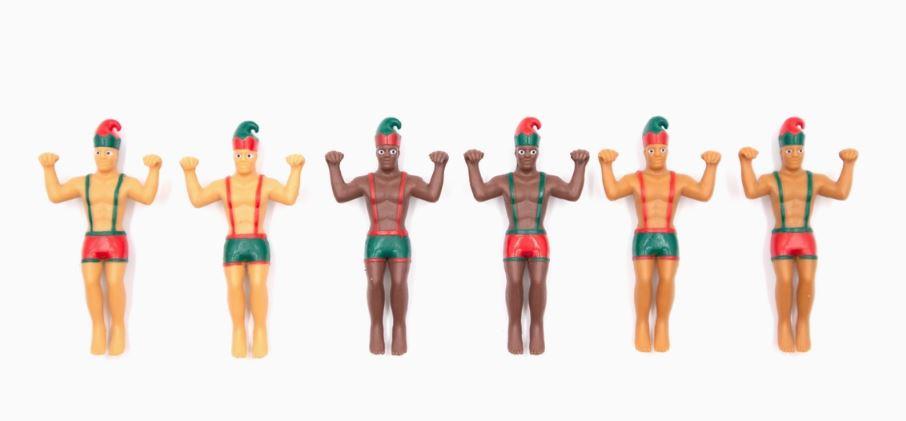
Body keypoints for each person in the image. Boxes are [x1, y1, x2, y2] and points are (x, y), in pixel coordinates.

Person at [464, 117, 589, 355]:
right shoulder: (505, 181)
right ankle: (514, 328)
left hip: (538, 239)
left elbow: (572, 193)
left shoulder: (547, 181)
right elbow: (480, 193)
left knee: (539, 283)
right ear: (515, 152)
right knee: (514, 283)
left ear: (537, 152)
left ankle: (537, 328)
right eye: (522, 151)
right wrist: (473, 165)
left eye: (532, 151)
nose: (527, 155)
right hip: (515, 239)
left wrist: (580, 165)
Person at [180, 121, 304, 358]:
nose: (243, 159)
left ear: (255, 156)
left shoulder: (265, 184)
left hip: (258, 242)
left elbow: (289, 197)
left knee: (258, 286)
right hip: (233, 243)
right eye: (239, 155)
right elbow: (198, 199)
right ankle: (238, 330)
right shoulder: (223, 185)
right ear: (233, 155)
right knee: (234, 287)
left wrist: (296, 170)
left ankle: (260, 330)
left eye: (248, 155)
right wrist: (189, 173)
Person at [326, 117, 448, 355]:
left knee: (399, 283)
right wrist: (334, 167)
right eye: (382, 150)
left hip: (399, 240)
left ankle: (399, 329)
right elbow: (341, 194)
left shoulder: (408, 181)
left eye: (391, 150)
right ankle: (376, 328)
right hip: (375, 240)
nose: (386, 155)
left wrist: (439, 167)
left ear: (398, 152)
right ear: (376, 152)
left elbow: (432, 194)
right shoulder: (366, 181)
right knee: (374, 283)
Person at [598, 116, 720, 352]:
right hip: (644, 236)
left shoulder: (678, 180)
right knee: (644, 281)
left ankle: (662, 324)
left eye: (661, 149)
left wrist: (711, 167)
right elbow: (612, 192)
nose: (657, 154)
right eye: (652, 150)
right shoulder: (635, 179)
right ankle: (642, 324)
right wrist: (606, 165)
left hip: (668, 237)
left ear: (667, 151)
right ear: (645, 151)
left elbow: (704, 193)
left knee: (667, 280)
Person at [40, 119, 161, 355]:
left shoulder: (125, 182)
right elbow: (56, 194)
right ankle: (98, 327)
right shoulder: (84, 182)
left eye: (107, 152)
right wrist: (48, 168)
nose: (103, 157)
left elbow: (147, 196)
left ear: (116, 154)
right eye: (98, 152)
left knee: (115, 283)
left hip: (116, 240)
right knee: (90, 282)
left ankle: (118, 327)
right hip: (92, 239)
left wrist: (154, 170)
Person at [739, 117, 857, 352]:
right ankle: (784, 324)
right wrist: (746, 162)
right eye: (789, 150)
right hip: (782, 237)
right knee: (784, 281)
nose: (794, 155)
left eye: (799, 150)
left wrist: (848, 164)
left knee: (808, 280)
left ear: (804, 151)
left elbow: (841, 192)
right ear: (781, 152)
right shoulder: (772, 180)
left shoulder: (814, 179)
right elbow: (751, 191)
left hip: (805, 236)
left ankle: (803, 324)